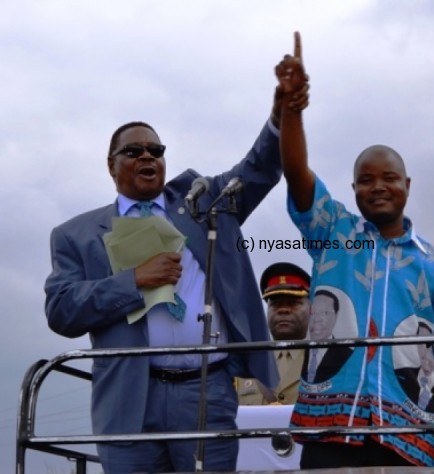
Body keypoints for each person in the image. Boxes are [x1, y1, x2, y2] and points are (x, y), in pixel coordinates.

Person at [44, 74, 309, 472]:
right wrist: (133, 281)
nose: (147, 157)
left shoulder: (205, 203)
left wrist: (279, 116)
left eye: (156, 149)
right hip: (128, 401)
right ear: (110, 164)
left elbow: (258, 168)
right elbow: (61, 311)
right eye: (133, 151)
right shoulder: (76, 235)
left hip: (208, 390)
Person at [274, 32, 434, 469]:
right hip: (330, 427)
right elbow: (295, 172)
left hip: (407, 432)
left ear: (408, 186)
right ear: (354, 189)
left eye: (389, 178)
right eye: (366, 180)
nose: (378, 186)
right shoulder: (333, 231)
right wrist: (291, 109)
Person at [236, 262, 311, 405]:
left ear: (311, 308)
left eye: (293, 303)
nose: (283, 310)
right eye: (275, 304)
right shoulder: (247, 362)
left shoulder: (325, 359)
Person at [304, 289, 354, 384]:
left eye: (325, 313)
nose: (317, 319)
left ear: (336, 316)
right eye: (312, 313)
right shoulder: (298, 353)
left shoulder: (349, 357)